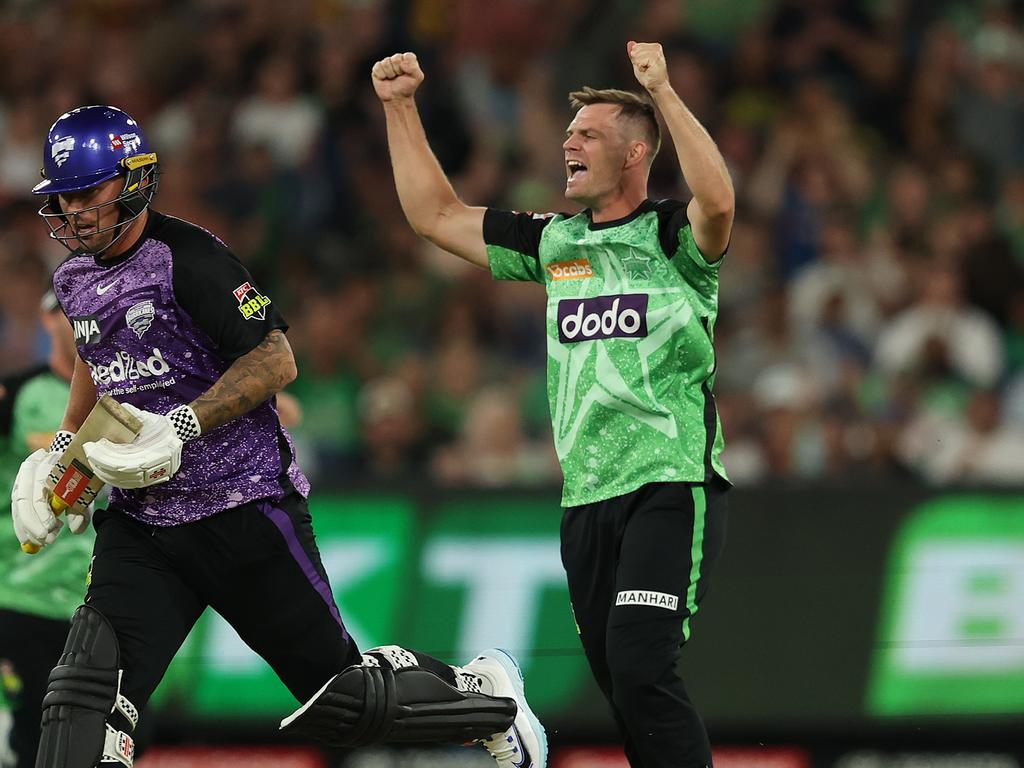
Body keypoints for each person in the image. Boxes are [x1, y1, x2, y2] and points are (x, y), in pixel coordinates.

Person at [11, 105, 546, 768]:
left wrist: (185, 423)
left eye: (87, 192)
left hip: (242, 511)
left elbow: (275, 360)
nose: (73, 211)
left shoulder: (191, 258)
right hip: (144, 529)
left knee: (341, 700)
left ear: (134, 180)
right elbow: (97, 359)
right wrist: (65, 444)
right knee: (78, 703)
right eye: (62, 198)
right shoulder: (72, 279)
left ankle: (482, 693)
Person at [373, 41, 733, 768]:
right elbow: (435, 216)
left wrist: (661, 90)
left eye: (589, 134)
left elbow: (719, 201)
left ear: (635, 154)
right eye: (570, 133)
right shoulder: (553, 243)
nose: (568, 141)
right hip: (585, 499)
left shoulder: (672, 239)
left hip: (668, 485)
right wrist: (399, 106)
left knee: (640, 664)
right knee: (624, 689)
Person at [0, 292, 90, 768]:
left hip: (100, 600)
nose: (76, 321)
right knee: (34, 738)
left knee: (123, 734)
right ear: (45, 319)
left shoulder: (133, 395)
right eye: (63, 310)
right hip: (25, 595)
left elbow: (290, 412)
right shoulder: (17, 393)